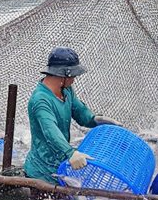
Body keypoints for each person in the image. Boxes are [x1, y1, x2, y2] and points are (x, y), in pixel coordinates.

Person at [23, 47, 118, 184]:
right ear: (62, 75)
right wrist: (71, 153)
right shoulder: (40, 100)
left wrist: (97, 120)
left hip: (61, 164)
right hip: (42, 172)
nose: (74, 79)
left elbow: (81, 114)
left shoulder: (66, 90)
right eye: (72, 75)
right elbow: (50, 131)